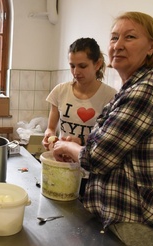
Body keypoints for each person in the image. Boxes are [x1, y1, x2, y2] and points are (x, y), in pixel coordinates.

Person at [52, 12, 153, 246]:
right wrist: (80, 144)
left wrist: (68, 146)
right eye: (114, 38)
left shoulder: (146, 90)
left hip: (139, 224)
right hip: (121, 218)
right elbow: (115, 149)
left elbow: (98, 158)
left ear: (152, 47)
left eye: (130, 37)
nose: (118, 45)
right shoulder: (130, 89)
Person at [42, 37, 117, 196]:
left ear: (97, 64)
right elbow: (51, 128)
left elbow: (108, 141)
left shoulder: (110, 96)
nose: (76, 72)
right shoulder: (60, 91)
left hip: (92, 173)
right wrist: (49, 134)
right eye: (72, 66)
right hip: (63, 166)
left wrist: (81, 142)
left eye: (82, 66)